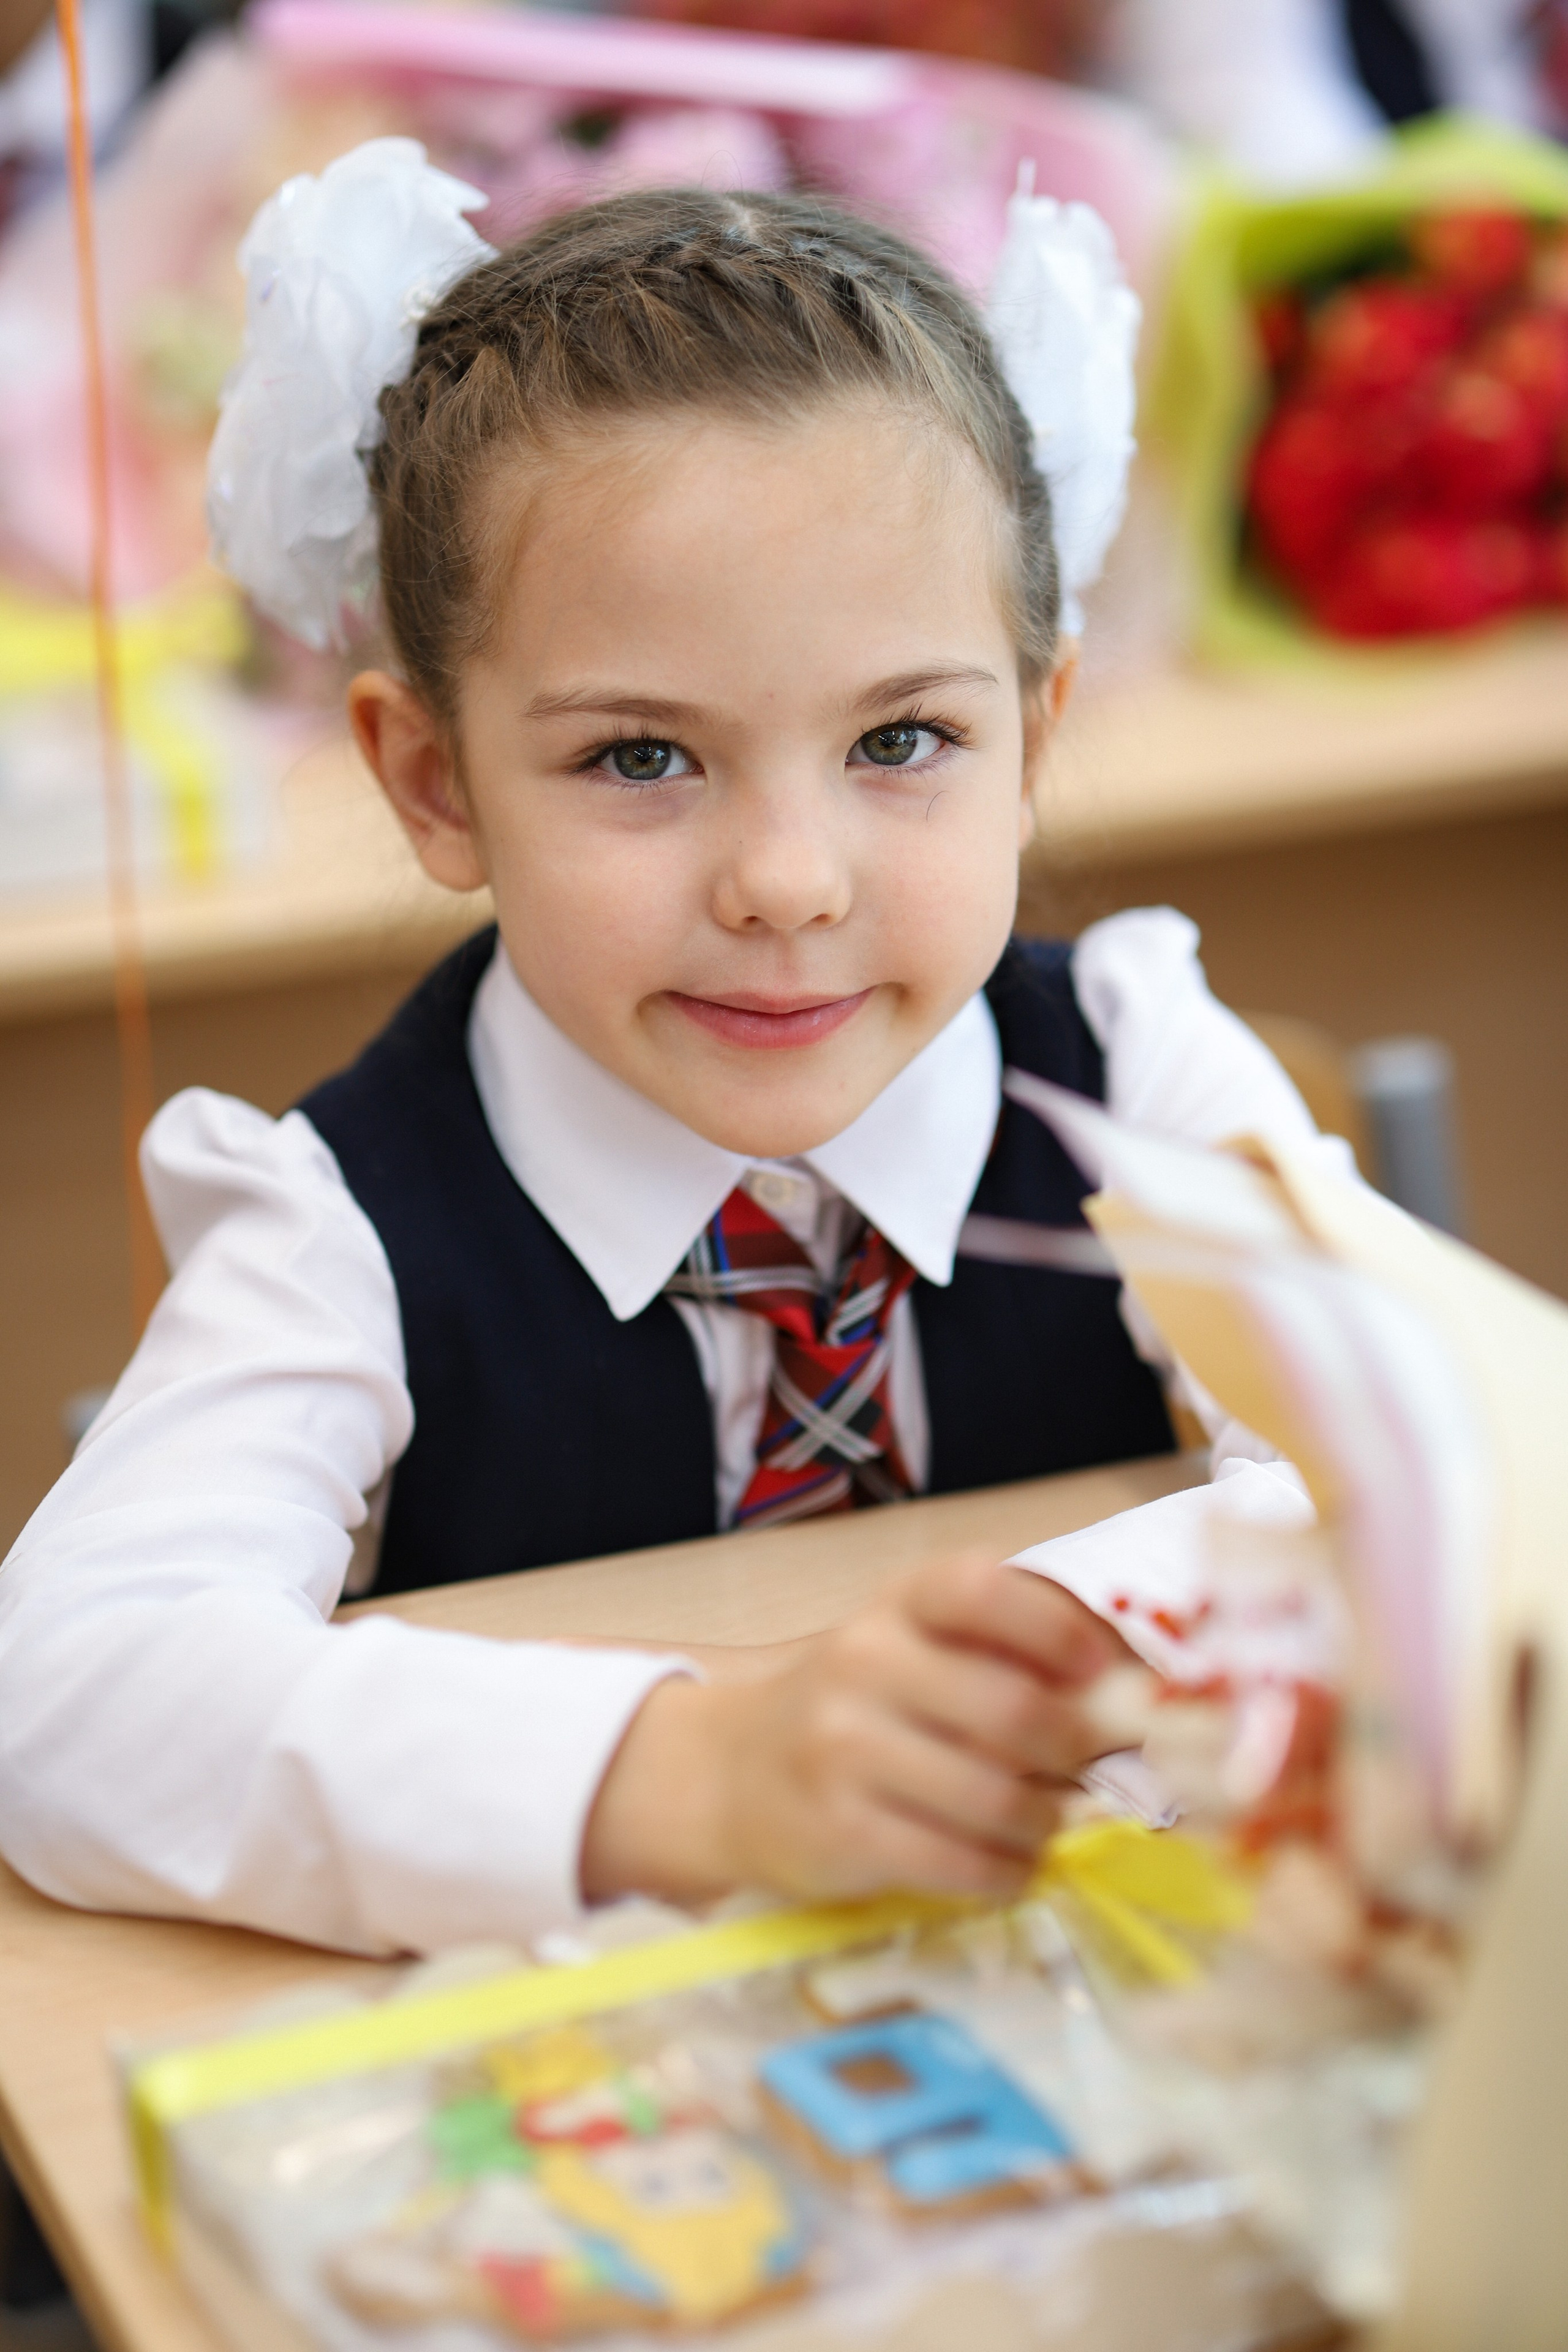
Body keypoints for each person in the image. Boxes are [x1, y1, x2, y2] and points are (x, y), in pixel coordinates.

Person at [0, 149, 1344, 1958]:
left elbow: (1450, 1471)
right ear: (431, 780)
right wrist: (695, 1770)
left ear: (1036, 736)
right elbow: (70, 1691)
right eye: (641, 757)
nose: (787, 884)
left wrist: (987, 1666)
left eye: (902, 740)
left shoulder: (1133, 1065)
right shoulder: (338, 1225)